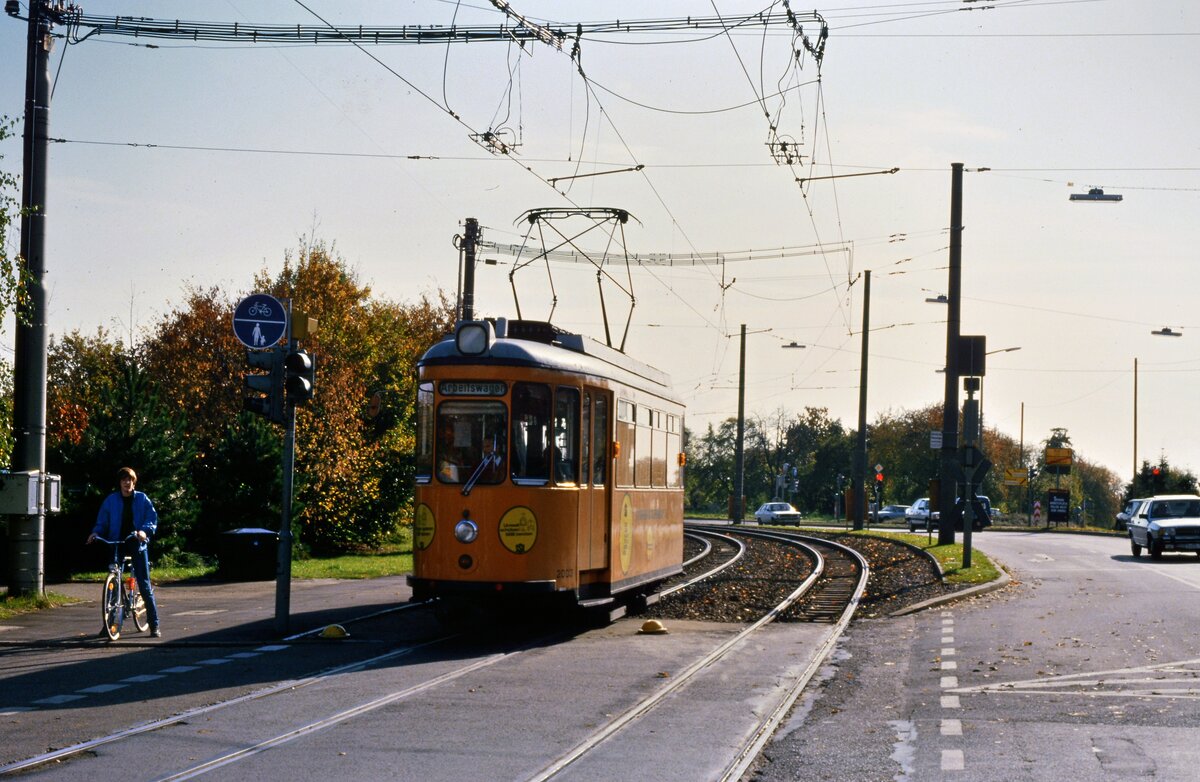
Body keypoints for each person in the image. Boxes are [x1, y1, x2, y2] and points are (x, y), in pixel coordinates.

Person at [87, 467, 162, 638]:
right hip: (117, 542)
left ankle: (154, 624)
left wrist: (144, 531)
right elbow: (102, 521)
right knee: (113, 582)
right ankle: (109, 623)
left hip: (136, 542)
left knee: (143, 583)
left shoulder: (142, 499)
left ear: (133, 482)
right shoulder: (111, 501)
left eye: (129, 480)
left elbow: (151, 518)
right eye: (123, 480)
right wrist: (95, 533)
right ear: (120, 483)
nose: (126, 483)